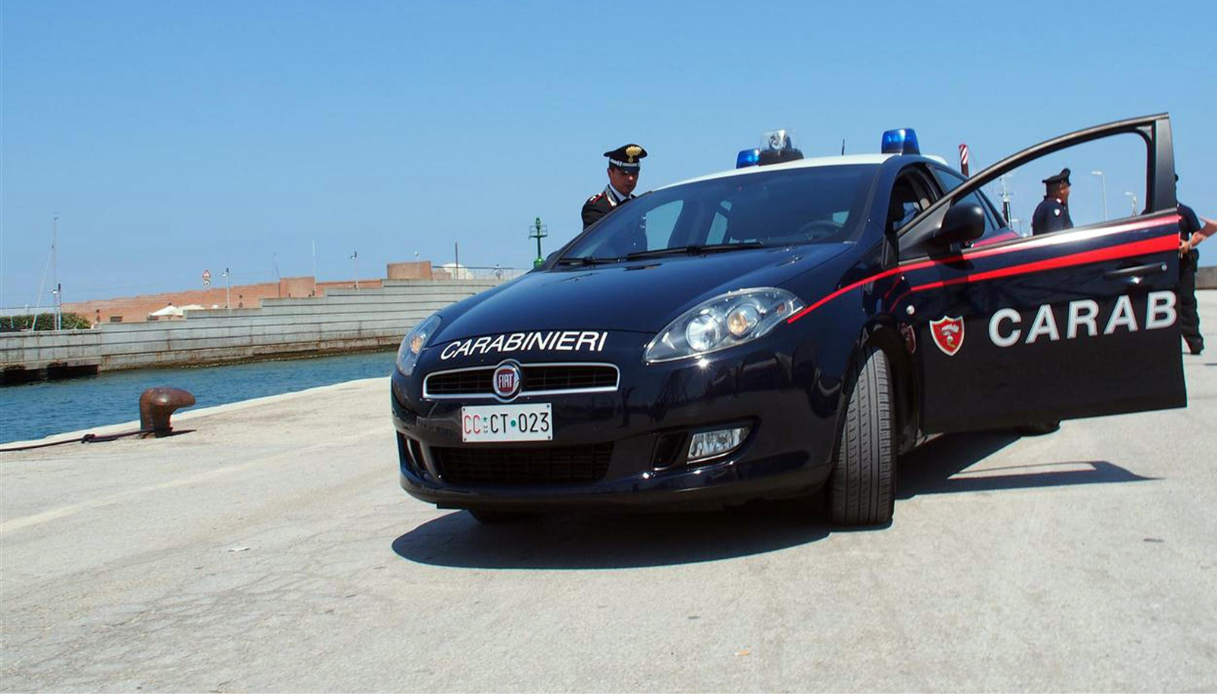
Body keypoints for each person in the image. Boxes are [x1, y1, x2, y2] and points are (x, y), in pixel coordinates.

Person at [1177, 176, 1217, 355]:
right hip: (1161, 266)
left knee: (1187, 303)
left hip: (1183, 264)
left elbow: (1199, 234)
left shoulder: (1185, 212)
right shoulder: (1151, 212)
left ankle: (1194, 341)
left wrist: (1188, 245)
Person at [582, 143, 647, 229]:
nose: (630, 178)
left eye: (634, 174)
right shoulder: (597, 207)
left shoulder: (638, 205)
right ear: (610, 173)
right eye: (624, 174)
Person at [1031, 168, 1074, 235]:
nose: (1068, 192)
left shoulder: (1044, 206)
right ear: (1061, 189)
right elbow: (1056, 237)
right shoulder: (1054, 208)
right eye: (1067, 188)